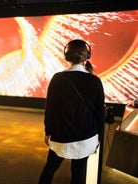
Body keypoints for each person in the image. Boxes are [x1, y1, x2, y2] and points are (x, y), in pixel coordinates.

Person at [38, 39, 105, 184]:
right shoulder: (95, 81)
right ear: (87, 56)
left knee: (49, 169)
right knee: (78, 174)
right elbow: (100, 113)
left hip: (60, 138)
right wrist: (99, 136)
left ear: (66, 56)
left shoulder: (57, 79)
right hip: (86, 138)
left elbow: (50, 109)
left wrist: (47, 132)